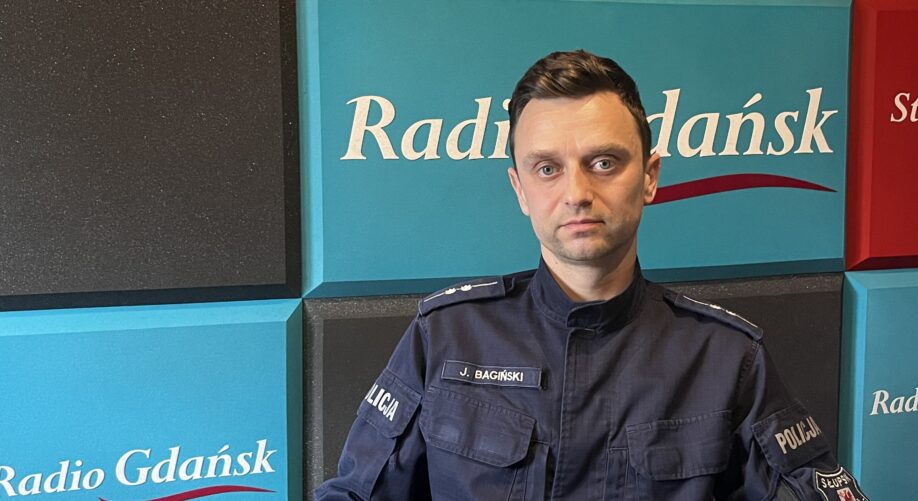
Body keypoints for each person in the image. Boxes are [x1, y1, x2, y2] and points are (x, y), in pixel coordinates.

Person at [316, 50, 867, 500]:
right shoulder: (445, 336)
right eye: (547, 168)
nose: (577, 192)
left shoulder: (727, 359)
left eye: (604, 162)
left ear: (649, 177)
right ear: (520, 190)